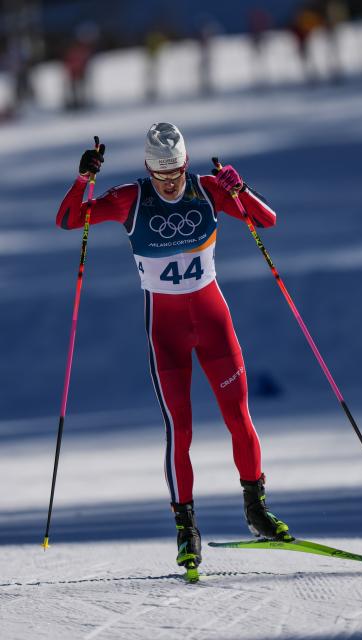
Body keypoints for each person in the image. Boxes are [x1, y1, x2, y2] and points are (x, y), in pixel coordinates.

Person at [56, 122, 293, 573]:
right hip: (165, 334)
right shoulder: (131, 198)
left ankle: (256, 509)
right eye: (162, 175)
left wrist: (239, 188)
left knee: (239, 419)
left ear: (186, 164)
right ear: (149, 168)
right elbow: (69, 219)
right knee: (179, 431)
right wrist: (83, 179)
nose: (170, 183)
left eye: (176, 174)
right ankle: (187, 531)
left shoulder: (206, 190)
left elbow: (266, 220)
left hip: (213, 324)